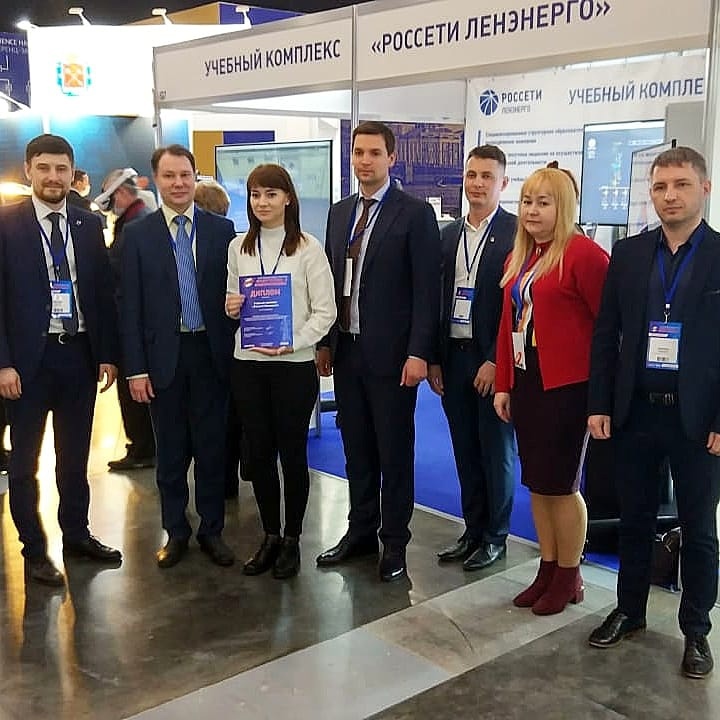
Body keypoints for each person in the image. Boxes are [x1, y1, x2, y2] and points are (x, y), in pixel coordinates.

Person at [587, 147, 720, 679]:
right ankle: (630, 609)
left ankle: (697, 630)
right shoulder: (629, 254)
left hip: (698, 420)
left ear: (704, 189)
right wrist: (600, 403)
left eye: (682, 185)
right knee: (636, 518)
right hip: (636, 411)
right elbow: (606, 333)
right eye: (661, 186)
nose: (670, 196)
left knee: (700, 528)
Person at [315, 121, 441, 582]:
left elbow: (427, 290)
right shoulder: (340, 213)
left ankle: (395, 542)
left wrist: (419, 352)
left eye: (373, 153)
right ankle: (361, 531)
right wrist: (325, 342)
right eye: (358, 152)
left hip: (393, 357)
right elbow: (333, 282)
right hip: (347, 351)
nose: (364, 160)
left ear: (391, 158)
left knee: (394, 452)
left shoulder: (414, 213)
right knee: (357, 450)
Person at [0, 134, 122, 587]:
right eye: (45, 168)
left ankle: (77, 535)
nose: (54, 177)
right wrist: (3, 363)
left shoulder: (88, 224)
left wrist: (107, 353)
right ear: (29, 170)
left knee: (74, 460)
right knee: (24, 464)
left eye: (62, 169)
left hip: (78, 356)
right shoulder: (6, 224)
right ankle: (33, 550)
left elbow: (102, 294)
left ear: (73, 174)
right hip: (26, 364)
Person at [493, 166, 609, 615]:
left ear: (564, 207)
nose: (532, 211)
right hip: (528, 379)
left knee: (561, 485)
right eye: (527, 201)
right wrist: (504, 384)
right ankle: (547, 566)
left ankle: (569, 574)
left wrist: (601, 395)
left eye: (544, 203)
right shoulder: (521, 256)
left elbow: (608, 331)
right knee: (537, 483)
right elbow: (507, 326)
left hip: (568, 385)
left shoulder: (584, 255)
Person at [121, 144, 237, 569]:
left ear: (195, 176)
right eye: (169, 176)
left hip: (210, 353)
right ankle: (176, 531)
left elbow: (232, 291)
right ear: (156, 180)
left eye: (185, 175)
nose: (178, 183)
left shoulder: (222, 230)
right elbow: (129, 306)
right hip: (162, 358)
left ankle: (212, 530)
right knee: (170, 453)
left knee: (211, 449)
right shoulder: (137, 235)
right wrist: (136, 369)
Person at [226, 164, 336, 579]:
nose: (262, 202)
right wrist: (230, 306)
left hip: (293, 366)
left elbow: (326, 311)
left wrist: (295, 342)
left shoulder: (308, 248)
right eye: (255, 194)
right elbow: (231, 300)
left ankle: (292, 539)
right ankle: (270, 534)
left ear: (288, 198)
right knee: (258, 454)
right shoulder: (238, 247)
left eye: (271, 194)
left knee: (291, 454)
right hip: (249, 364)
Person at [429, 145, 517, 570]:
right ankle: (473, 530)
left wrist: (497, 359)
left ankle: (496, 537)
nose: (477, 184)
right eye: (471, 175)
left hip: (491, 361)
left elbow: (516, 305)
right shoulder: (447, 235)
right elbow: (433, 300)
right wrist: (433, 358)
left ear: (503, 183)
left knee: (495, 451)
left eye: (487, 176)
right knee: (464, 449)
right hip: (453, 356)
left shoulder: (517, 233)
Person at [96, 168, 156, 471]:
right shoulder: (139, 220)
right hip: (137, 325)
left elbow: (121, 278)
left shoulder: (134, 225)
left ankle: (142, 448)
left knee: (134, 393)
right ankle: (143, 445)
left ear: (121, 193)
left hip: (131, 326)